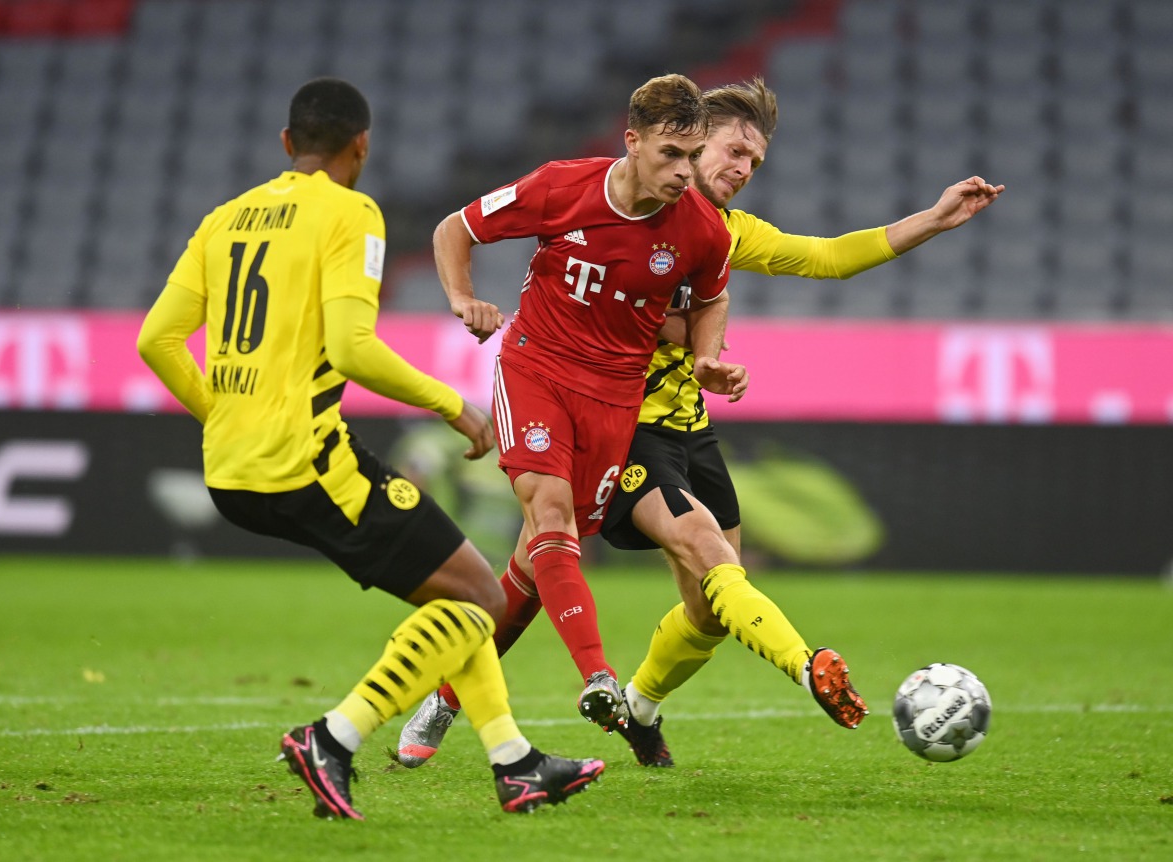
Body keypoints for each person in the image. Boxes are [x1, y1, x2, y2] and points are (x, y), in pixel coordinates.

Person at [398, 77, 1004, 770]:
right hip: (625, 428)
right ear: (688, 142)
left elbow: (827, 258)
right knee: (661, 545)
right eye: (732, 150)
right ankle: (806, 668)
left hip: (690, 429)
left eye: (755, 161)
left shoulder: (721, 236)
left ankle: (637, 706)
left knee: (697, 607)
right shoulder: (606, 197)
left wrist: (932, 217)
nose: (740, 169)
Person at [136, 77, 605, 818]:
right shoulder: (351, 212)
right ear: (362, 146)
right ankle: (334, 736)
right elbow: (352, 349)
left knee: (457, 591)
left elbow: (155, 340)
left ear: (288, 145)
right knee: (482, 595)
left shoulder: (223, 219)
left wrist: (223, 415)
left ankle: (514, 762)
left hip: (230, 469)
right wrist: (453, 404)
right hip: (309, 462)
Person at [397, 73, 743, 763]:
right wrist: (464, 298)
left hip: (615, 399)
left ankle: (446, 697)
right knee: (549, 515)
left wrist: (706, 360)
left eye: (693, 154)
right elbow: (454, 228)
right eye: (672, 153)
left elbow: (708, 300)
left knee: (533, 559)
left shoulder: (702, 229)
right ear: (633, 140)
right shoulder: (563, 185)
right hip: (536, 369)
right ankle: (599, 677)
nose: (684, 171)